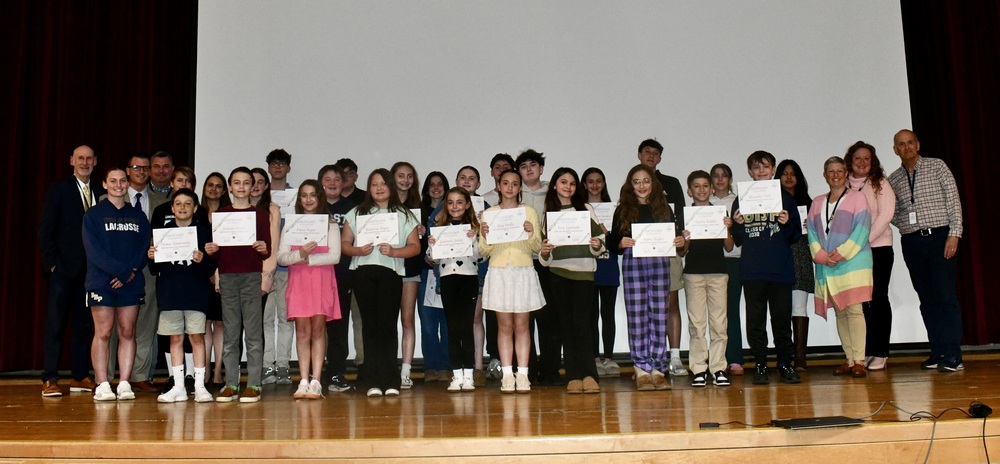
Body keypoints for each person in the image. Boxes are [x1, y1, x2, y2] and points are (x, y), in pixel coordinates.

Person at [888, 129, 964, 372]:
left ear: (918, 144)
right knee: (927, 299)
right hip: (912, 243)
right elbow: (892, 212)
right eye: (901, 144)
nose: (907, 147)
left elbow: (953, 201)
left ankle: (953, 354)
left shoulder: (937, 166)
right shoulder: (894, 179)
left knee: (945, 297)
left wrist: (954, 234)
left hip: (939, 238)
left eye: (910, 142)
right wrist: (907, 226)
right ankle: (938, 351)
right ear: (895, 150)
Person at [341, 169, 420, 398]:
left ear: (391, 187)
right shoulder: (357, 213)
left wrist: (395, 251)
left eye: (383, 184)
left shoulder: (403, 214)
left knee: (387, 326)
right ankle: (373, 380)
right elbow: (345, 243)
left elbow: (415, 247)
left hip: (390, 273)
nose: (378, 188)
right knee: (370, 326)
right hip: (363, 274)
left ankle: (390, 379)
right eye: (374, 184)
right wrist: (357, 250)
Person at [608, 164, 685, 391]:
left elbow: (674, 238)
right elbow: (613, 242)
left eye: (646, 181)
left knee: (659, 314)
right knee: (637, 316)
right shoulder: (622, 209)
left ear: (654, 184)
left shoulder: (664, 209)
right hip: (634, 263)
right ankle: (641, 367)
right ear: (630, 185)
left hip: (660, 262)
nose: (642, 186)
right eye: (636, 181)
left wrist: (679, 240)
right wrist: (620, 243)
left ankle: (658, 368)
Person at [39, 145, 104, 397]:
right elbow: (45, 229)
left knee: (83, 325)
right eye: (80, 158)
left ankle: (79, 376)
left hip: (91, 272)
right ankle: (50, 378)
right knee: (55, 324)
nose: (85, 162)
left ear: (95, 161)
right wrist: (52, 263)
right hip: (63, 270)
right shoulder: (59, 189)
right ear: (71, 161)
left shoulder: (101, 191)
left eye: (89, 158)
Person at [731, 151, 802, 385]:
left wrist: (786, 222)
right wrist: (738, 226)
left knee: (781, 321)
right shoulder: (741, 199)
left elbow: (794, 235)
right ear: (750, 172)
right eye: (756, 167)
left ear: (773, 170)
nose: (761, 171)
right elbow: (738, 239)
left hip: (780, 270)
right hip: (752, 270)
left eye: (766, 167)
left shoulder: (786, 199)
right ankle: (760, 364)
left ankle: (785, 364)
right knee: (756, 321)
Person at [204, 167, 272, 403]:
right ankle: (232, 383)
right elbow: (217, 253)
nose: (242, 187)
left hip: (251, 276)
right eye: (237, 182)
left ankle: (254, 383)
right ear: (230, 187)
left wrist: (263, 249)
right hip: (229, 277)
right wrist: (211, 252)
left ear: (253, 186)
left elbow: (267, 250)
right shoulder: (221, 214)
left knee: (253, 334)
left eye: (246, 182)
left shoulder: (261, 215)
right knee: (231, 334)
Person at [83, 167, 151, 401]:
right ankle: (102, 383)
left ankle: (124, 383)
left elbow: (144, 248)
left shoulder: (138, 216)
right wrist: (122, 272)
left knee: (127, 332)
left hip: (131, 283)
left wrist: (129, 273)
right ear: (104, 184)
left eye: (122, 180)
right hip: (102, 281)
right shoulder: (93, 215)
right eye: (113, 181)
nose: (119, 185)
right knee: (103, 332)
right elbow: (94, 251)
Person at [539, 167, 606, 394]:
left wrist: (597, 246)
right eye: (563, 182)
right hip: (558, 275)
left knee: (583, 326)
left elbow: (600, 241)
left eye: (572, 183)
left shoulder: (585, 210)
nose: (568, 187)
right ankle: (573, 376)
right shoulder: (548, 214)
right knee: (566, 327)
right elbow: (544, 256)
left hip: (584, 275)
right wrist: (545, 252)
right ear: (555, 186)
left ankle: (589, 374)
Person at [479, 169, 545, 393]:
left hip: (523, 271)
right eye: (505, 183)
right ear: (498, 186)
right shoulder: (489, 215)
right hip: (499, 272)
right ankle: (507, 374)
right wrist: (486, 235)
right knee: (504, 326)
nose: (509, 188)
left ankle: (523, 374)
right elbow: (483, 250)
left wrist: (530, 232)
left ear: (520, 188)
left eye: (514, 184)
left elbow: (537, 246)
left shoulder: (528, 212)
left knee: (522, 325)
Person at [147, 188, 216, 403]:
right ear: (172, 208)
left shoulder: (204, 232)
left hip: (195, 293)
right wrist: (151, 256)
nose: (183, 208)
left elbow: (210, 269)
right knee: (175, 338)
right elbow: (153, 268)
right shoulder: (162, 231)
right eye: (178, 204)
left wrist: (202, 259)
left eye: (188, 204)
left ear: (195, 208)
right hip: (170, 293)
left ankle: (199, 385)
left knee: (196, 337)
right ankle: (178, 386)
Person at [807, 156, 873, 378]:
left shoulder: (858, 199)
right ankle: (849, 359)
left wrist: (840, 254)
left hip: (853, 263)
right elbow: (813, 233)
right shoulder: (817, 202)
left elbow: (862, 231)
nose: (835, 175)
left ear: (846, 174)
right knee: (840, 312)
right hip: (828, 265)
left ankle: (860, 361)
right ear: (824, 175)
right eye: (830, 171)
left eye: (839, 171)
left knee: (854, 311)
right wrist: (821, 256)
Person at [277, 180, 342, 400]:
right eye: (304, 195)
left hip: (322, 280)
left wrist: (308, 259)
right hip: (299, 282)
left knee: (318, 331)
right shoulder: (291, 225)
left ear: (319, 198)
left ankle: (316, 381)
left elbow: (335, 256)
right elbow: (282, 257)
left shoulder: (330, 224)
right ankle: (303, 380)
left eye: (312, 195)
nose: (308, 200)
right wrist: (300, 254)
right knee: (302, 331)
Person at [636, 139, 688, 377]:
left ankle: (675, 357)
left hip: (668, 251)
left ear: (659, 159)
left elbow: (681, 216)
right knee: (644, 308)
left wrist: (681, 242)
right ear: (639, 155)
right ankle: (647, 359)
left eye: (655, 153)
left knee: (671, 303)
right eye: (647, 152)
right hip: (641, 255)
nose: (651, 156)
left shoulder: (671, 183)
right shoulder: (630, 184)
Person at [845, 141, 896, 371]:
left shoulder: (881, 183)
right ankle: (864, 351)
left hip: (878, 249)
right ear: (850, 161)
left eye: (867, 158)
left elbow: (885, 215)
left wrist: (861, 242)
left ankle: (880, 352)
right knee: (860, 302)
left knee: (878, 299)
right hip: (853, 254)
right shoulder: (844, 185)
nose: (862, 162)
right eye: (858, 158)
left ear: (872, 161)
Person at [427, 187, 484, 391]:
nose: (455, 207)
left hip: (468, 279)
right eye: (450, 202)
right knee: (452, 327)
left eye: (460, 202)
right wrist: (433, 244)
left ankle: (468, 374)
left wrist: (473, 241)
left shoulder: (475, 229)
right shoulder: (440, 228)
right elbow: (432, 259)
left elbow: (481, 256)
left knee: (465, 326)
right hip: (448, 279)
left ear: (467, 204)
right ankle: (456, 375)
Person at [681, 170, 734, 388]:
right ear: (689, 190)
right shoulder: (686, 216)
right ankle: (699, 369)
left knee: (719, 323)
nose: (701, 190)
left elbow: (729, 247)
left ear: (712, 189)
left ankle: (718, 367)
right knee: (697, 323)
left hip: (718, 273)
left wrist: (727, 229)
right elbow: (682, 253)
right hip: (693, 273)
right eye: (696, 186)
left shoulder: (720, 213)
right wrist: (685, 239)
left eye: (705, 186)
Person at [515, 149, 560, 385]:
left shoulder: (553, 193)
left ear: (541, 169)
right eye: (523, 166)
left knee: (549, 319)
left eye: (533, 165)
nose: (529, 169)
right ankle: (527, 371)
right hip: (522, 263)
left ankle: (551, 371)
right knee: (524, 320)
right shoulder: (512, 196)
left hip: (547, 263)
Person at [318, 164, 357, 393]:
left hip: (343, 275)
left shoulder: (353, 209)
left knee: (339, 328)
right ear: (320, 182)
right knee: (315, 326)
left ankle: (336, 373)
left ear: (344, 183)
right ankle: (314, 373)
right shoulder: (313, 208)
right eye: (327, 178)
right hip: (316, 275)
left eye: (337, 179)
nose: (332, 183)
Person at [580, 167, 621, 378]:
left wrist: (609, 234)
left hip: (609, 267)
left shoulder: (615, 209)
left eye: (599, 181)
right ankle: (595, 358)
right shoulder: (579, 211)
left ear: (604, 184)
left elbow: (618, 244)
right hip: (588, 267)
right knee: (590, 315)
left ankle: (609, 358)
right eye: (590, 181)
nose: (595, 185)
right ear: (584, 184)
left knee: (608, 314)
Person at [775, 159, 815, 371]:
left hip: (800, 254)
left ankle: (800, 357)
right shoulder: (770, 202)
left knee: (799, 306)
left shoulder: (809, 203)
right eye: (784, 173)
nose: (789, 177)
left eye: (793, 173)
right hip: (778, 256)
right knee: (780, 308)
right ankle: (784, 356)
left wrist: (813, 226)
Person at [251, 167, 290, 385]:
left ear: (267, 186)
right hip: (252, 274)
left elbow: (274, 243)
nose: (255, 186)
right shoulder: (240, 210)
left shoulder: (273, 209)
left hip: (280, 271)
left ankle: (283, 365)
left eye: (260, 182)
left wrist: (270, 271)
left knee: (284, 319)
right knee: (264, 321)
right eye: (252, 181)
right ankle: (267, 366)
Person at [709, 163, 744, 376]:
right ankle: (716, 360)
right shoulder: (703, 203)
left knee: (731, 311)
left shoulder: (738, 201)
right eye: (716, 176)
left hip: (734, 259)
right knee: (714, 314)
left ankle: (735, 359)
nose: (720, 179)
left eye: (724, 176)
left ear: (730, 179)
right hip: (711, 261)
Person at [390, 161, 423, 389]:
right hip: (387, 267)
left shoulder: (419, 205)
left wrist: (422, 231)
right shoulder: (383, 206)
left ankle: (406, 370)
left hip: (410, 268)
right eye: (400, 176)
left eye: (409, 176)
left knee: (407, 320)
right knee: (387, 321)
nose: (405, 180)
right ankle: (388, 368)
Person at [418, 171, 451, 383]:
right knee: (428, 323)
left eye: (440, 184)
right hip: (425, 272)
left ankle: (446, 366)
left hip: (448, 272)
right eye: (432, 184)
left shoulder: (453, 210)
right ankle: (430, 366)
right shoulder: (417, 212)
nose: (436, 188)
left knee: (447, 322)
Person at [200, 172, 231, 387]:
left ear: (224, 190)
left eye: (219, 186)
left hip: (223, 274)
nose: (214, 189)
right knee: (203, 325)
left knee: (220, 325)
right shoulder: (196, 213)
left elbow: (232, 247)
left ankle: (218, 370)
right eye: (210, 185)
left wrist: (218, 271)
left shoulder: (229, 214)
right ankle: (205, 371)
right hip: (199, 275)